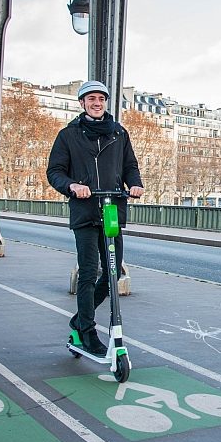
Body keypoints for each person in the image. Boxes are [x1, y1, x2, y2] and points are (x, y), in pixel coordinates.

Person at [46, 81, 144, 356]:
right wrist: (72, 186)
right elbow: (55, 171)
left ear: (106, 102)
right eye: (91, 98)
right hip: (85, 211)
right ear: (82, 103)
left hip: (112, 208)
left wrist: (134, 183)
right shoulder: (68, 135)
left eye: (101, 98)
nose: (97, 103)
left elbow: (129, 166)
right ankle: (86, 332)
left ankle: (78, 322)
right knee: (89, 272)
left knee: (113, 272)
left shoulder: (118, 133)